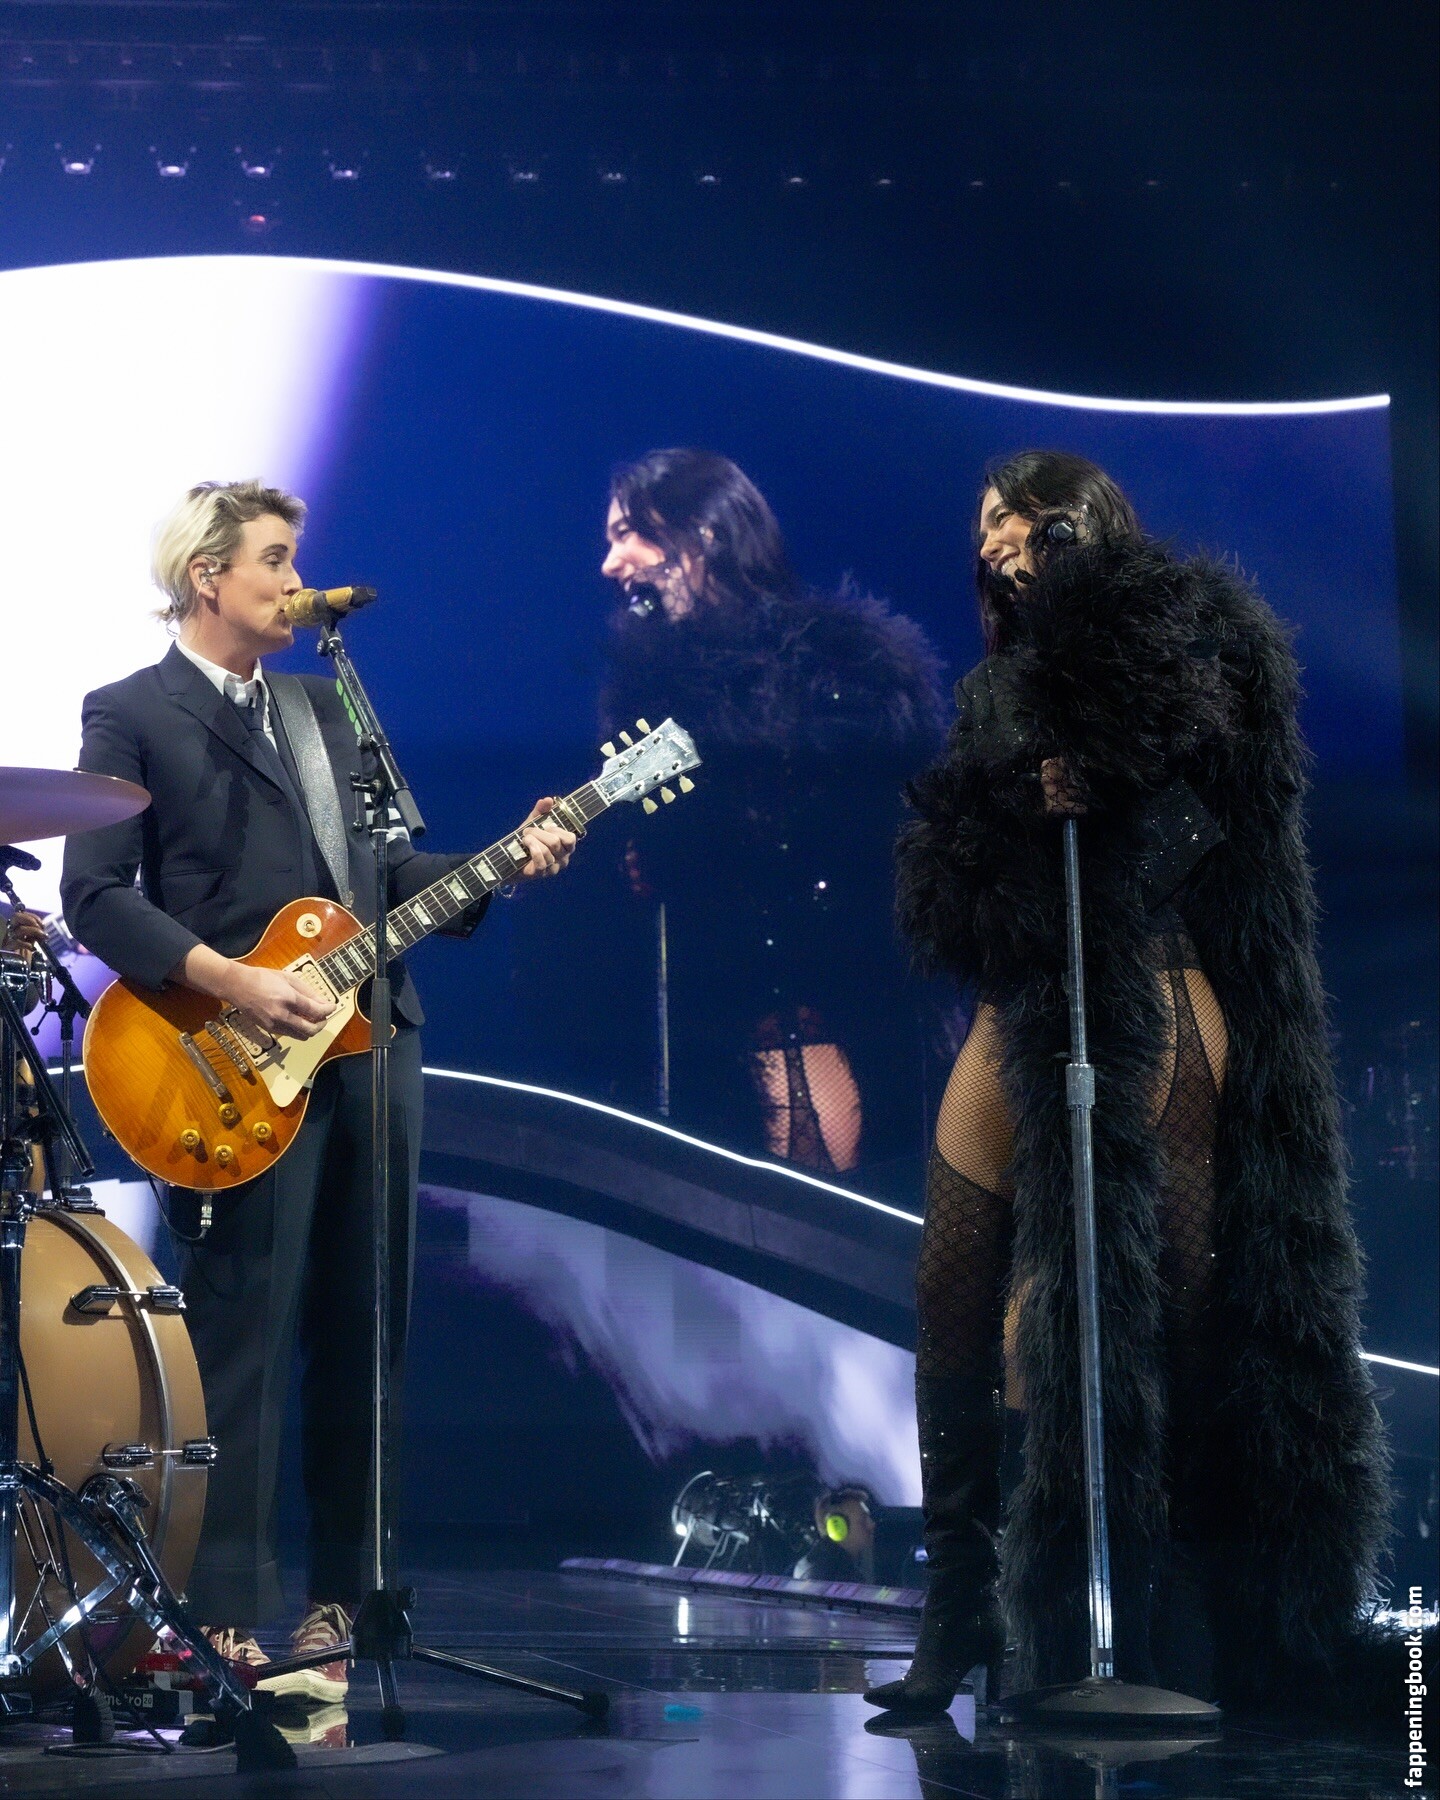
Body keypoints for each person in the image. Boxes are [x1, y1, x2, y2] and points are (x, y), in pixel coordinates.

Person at [866, 450, 1388, 1712]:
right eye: (981, 523)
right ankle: (960, 1603)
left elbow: (1212, 823)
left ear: (1080, 524)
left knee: (1178, 1302)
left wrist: (1095, 796)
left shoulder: (1197, 642)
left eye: (1017, 517)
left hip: (1155, 988)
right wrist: (1013, 826)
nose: (993, 538)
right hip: (1029, 1006)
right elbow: (956, 876)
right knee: (951, 1291)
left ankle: (1184, 1613)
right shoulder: (994, 691)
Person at [61, 480, 576, 1697]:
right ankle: (222, 1609)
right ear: (209, 576)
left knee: (364, 1328)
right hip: (225, 1062)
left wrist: (506, 859)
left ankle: (345, 1600)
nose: (298, 582)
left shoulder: (323, 708)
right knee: (242, 1331)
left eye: (297, 559)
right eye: (276, 559)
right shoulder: (132, 711)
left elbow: (383, 875)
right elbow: (94, 894)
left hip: (370, 1044)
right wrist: (230, 979)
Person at [598, 448, 944, 1170]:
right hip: (705, 1019)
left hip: (833, 1006)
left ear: (703, 534)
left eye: (629, 533)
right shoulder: (651, 691)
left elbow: (889, 831)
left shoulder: (838, 670)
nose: (610, 562)